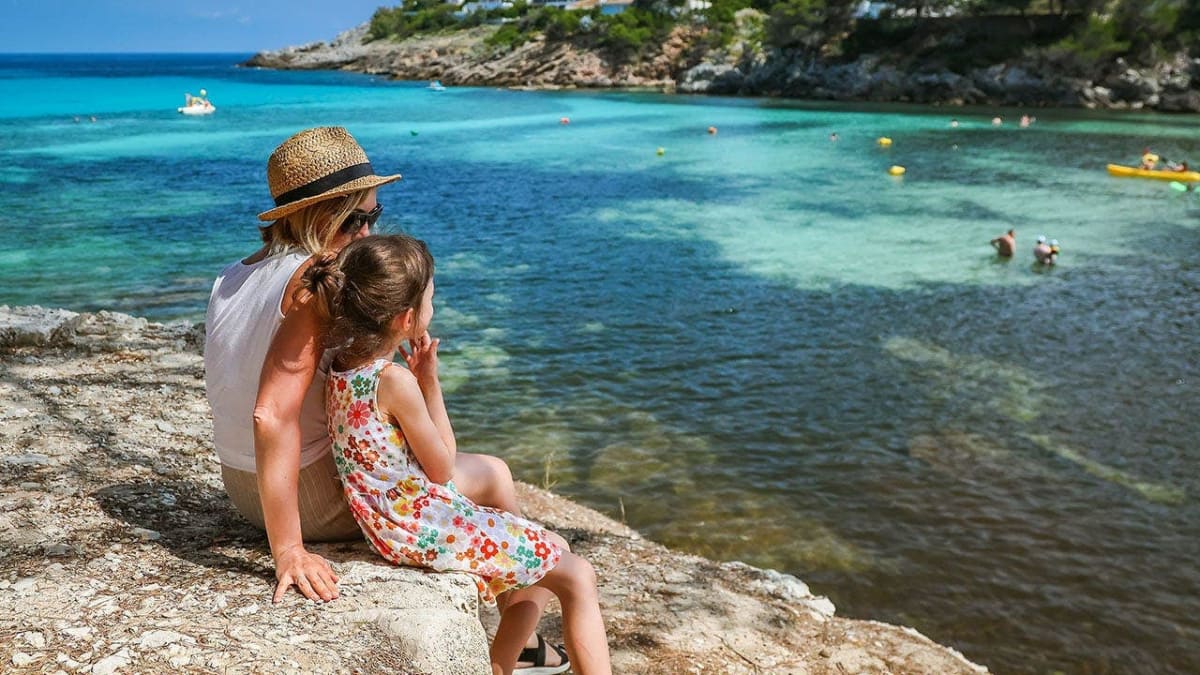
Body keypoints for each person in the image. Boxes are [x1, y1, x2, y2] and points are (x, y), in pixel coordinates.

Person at [204, 126, 563, 674]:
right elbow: (270, 412)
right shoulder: (314, 281)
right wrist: (289, 550)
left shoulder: (234, 275)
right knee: (493, 474)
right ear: (319, 216)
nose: (369, 231)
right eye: (357, 220)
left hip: (241, 487)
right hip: (305, 498)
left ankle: (521, 630)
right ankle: (523, 632)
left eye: (375, 215)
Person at [304, 235, 612, 675]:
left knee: (554, 552)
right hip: (419, 524)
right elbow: (442, 468)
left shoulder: (341, 364)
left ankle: (504, 663)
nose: (433, 307)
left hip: (389, 519)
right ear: (407, 319)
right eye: (430, 300)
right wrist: (430, 383)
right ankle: (505, 663)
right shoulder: (393, 381)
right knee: (579, 575)